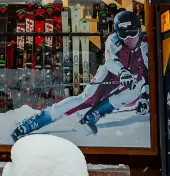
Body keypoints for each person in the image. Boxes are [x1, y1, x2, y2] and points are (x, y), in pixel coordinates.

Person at [11, 10, 149, 140]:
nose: (129, 38)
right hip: (109, 73)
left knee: (136, 87)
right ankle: (37, 121)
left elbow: (150, 75)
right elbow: (110, 60)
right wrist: (122, 72)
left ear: (139, 30)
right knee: (85, 99)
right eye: (123, 34)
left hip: (130, 81)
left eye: (132, 32)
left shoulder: (145, 45)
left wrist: (145, 97)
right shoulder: (113, 40)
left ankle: (94, 114)